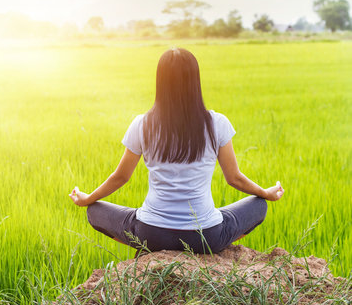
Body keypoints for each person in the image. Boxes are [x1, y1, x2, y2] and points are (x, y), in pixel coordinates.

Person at [68, 48, 284, 255]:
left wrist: (88, 199)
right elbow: (234, 178)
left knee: (94, 211)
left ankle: (151, 252)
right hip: (205, 236)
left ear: (160, 82)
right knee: (258, 205)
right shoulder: (216, 123)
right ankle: (212, 251)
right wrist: (266, 193)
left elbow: (121, 177)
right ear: (195, 81)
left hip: (151, 234)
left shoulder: (143, 124)